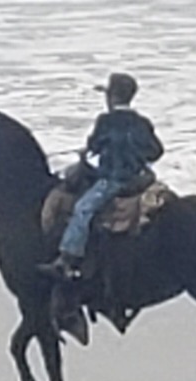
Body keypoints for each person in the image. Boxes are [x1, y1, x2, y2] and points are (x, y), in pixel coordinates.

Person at [40, 72, 164, 280]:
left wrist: (87, 151)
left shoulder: (106, 120)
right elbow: (156, 151)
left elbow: (94, 146)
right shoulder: (142, 122)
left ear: (112, 97)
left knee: (83, 208)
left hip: (114, 180)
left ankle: (68, 258)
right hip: (139, 178)